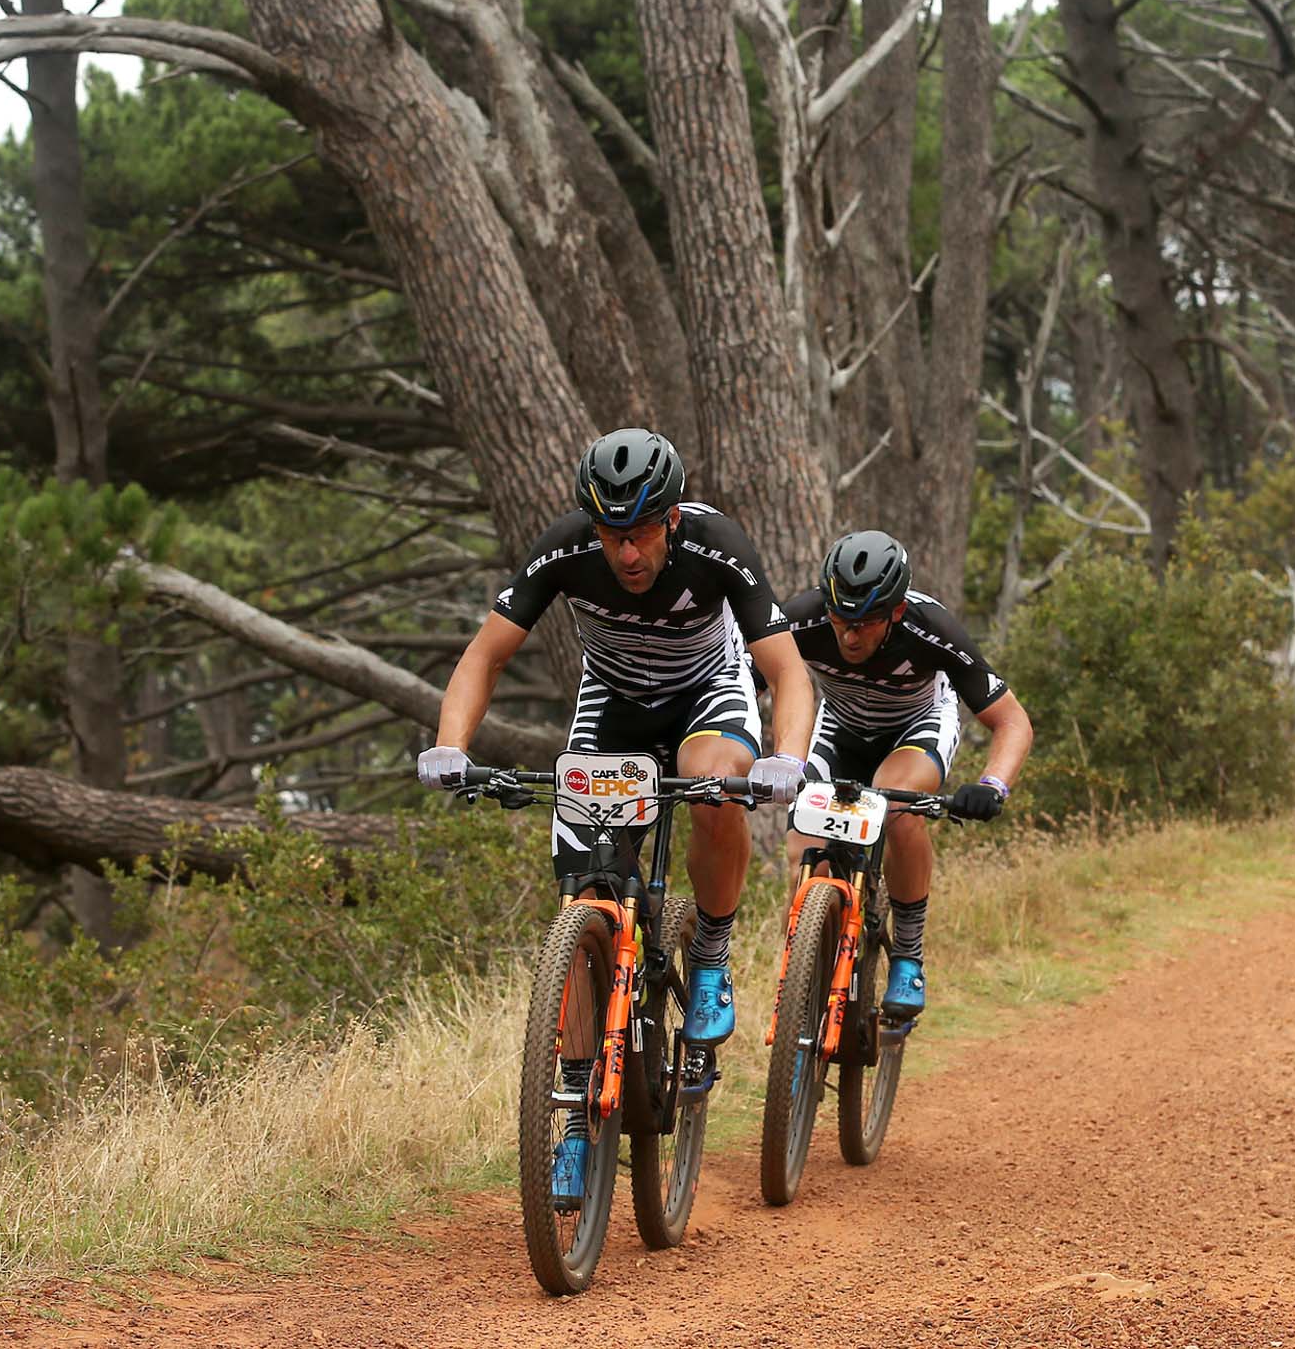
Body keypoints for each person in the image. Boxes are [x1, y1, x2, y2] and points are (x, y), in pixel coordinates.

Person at [417, 429, 813, 1205]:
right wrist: (448, 745)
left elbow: (785, 669)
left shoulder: (717, 545)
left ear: (669, 519)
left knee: (708, 781)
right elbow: (485, 654)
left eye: (638, 533)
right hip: (614, 707)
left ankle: (710, 951)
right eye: (610, 535)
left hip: (708, 693)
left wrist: (788, 757)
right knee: (583, 888)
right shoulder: (566, 549)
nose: (625, 553)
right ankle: (571, 1112)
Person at [779, 529, 1032, 1020]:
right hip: (842, 727)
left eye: (866, 623)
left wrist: (992, 785)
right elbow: (754, 678)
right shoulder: (804, 617)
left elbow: (1012, 721)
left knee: (893, 807)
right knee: (801, 850)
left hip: (916, 726)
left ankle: (908, 955)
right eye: (840, 619)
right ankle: (804, 987)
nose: (849, 636)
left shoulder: (930, 628)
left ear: (895, 613)